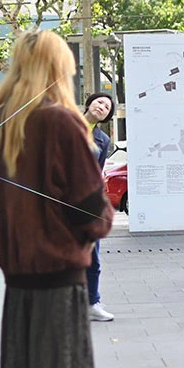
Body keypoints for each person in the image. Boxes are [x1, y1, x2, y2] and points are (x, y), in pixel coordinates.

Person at [0, 30, 114, 368]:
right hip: (59, 268)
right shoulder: (60, 121)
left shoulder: (0, 118)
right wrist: (100, 224)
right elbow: (88, 203)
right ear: (57, 67)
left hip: (19, 270)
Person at [82, 92, 115, 322]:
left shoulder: (102, 140)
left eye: (107, 107)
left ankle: (92, 303)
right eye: (99, 101)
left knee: (92, 256)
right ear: (89, 103)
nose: (102, 106)